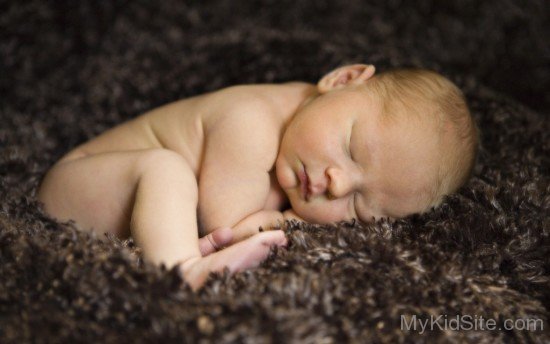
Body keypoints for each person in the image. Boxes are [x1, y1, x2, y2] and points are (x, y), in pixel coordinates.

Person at [37, 64, 478, 289]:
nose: (337, 183)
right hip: (78, 185)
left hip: (117, 214)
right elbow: (226, 222)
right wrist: (286, 222)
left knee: (168, 174)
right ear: (342, 79)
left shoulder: (305, 132)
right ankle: (183, 270)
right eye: (350, 148)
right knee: (165, 167)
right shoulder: (251, 122)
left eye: (360, 206)